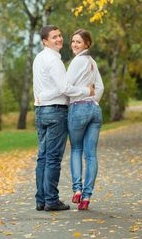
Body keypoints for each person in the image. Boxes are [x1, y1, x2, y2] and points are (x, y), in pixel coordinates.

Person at [33, 25, 94, 212]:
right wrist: (86, 91)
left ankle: (41, 200)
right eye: (54, 37)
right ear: (45, 41)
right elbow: (64, 88)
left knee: (43, 157)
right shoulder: (54, 61)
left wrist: (44, 97)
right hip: (55, 112)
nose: (59, 39)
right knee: (52, 158)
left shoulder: (39, 58)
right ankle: (51, 200)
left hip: (41, 111)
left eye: (60, 36)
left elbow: (47, 88)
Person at [66, 29, 104, 210]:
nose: (74, 44)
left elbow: (66, 87)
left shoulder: (77, 61)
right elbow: (100, 87)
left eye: (78, 42)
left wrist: (81, 98)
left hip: (78, 108)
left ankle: (77, 190)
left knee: (76, 150)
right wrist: (92, 100)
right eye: (73, 41)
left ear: (87, 44)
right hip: (94, 110)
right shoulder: (92, 62)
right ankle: (87, 197)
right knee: (91, 155)